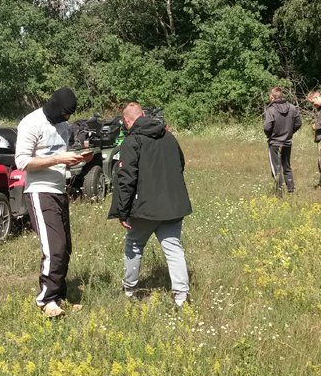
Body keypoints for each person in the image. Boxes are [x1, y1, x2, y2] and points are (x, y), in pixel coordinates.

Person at [15, 87, 92, 318]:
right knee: (54, 248)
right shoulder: (31, 123)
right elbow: (22, 162)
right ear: (56, 107)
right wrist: (59, 159)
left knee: (66, 248)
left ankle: (60, 296)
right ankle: (46, 300)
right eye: (65, 114)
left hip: (59, 189)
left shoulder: (63, 125)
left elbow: (59, 155)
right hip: (39, 192)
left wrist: (76, 158)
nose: (67, 119)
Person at [108, 102, 193, 307]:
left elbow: (126, 179)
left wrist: (122, 211)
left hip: (143, 209)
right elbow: (180, 164)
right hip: (172, 206)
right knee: (174, 249)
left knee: (134, 245)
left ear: (127, 121)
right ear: (144, 114)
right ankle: (182, 297)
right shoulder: (169, 136)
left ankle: (129, 290)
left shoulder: (131, 141)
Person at [263, 86, 302, 196]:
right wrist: (289, 132)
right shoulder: (292, 107)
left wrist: (270, 135)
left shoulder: (271, 110)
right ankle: (291, 190)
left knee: (276, 168)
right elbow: (298, 123)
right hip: (287, 142)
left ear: (272, 97)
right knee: (287, 166)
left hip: (274, 143)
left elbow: (267, 127)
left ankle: (279, 192)